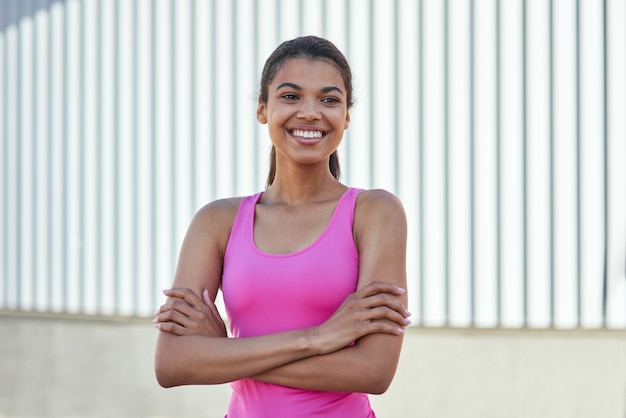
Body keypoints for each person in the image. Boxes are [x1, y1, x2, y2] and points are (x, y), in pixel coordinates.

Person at [153, 35, 410, 418]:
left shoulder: (374, 212)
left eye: (329, 99)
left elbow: (373, 371)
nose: (310, 112)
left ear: (347, 116)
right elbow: (172, 363)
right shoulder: (217, 222)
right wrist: (318, 338)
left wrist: (225, 353)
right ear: (262, 109)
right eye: (291, 96)